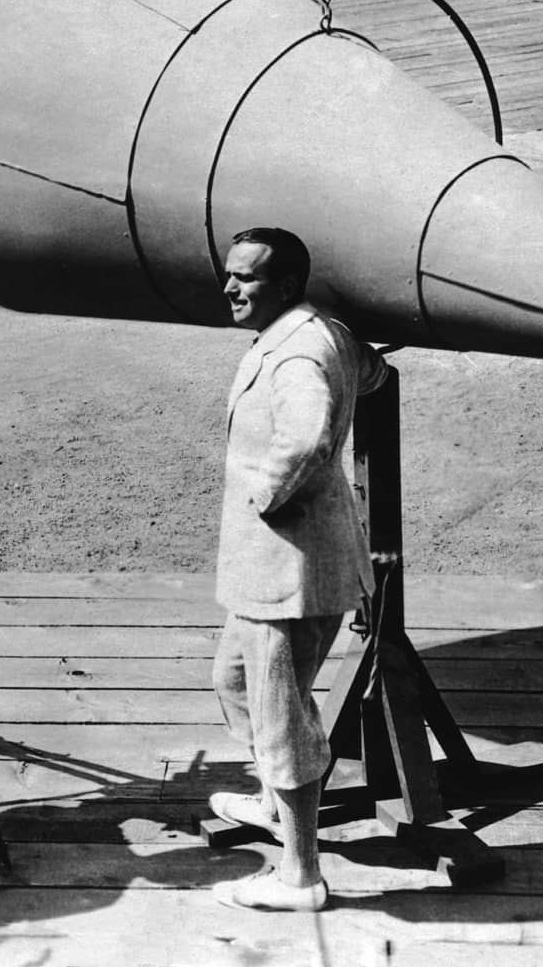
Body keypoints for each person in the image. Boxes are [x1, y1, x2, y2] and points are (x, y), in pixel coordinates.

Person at [206, 227, 387, 912]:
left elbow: (308, 433)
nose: (230, 287)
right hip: (278, 567)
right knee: (232, 679)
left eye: (246, 278)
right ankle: (273, 800)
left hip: (291, 568)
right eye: (230, 274)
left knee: (283, 717)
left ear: (285, 286)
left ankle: (301, 874)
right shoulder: (324, 330)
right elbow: (373, 373)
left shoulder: (300, 348)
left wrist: (265, 491)